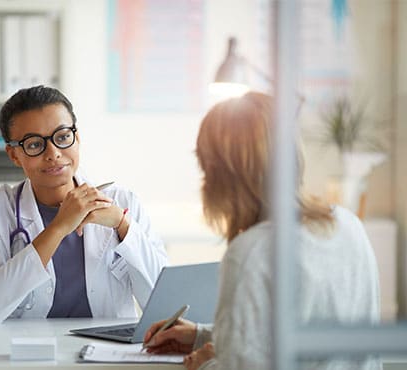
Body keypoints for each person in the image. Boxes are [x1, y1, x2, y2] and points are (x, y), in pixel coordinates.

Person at [143, 92, 381, 370]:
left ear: (221, 173)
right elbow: (301, 336)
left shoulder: (253, 253)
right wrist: (202, 336)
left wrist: (204, 364)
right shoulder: (348, 224)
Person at [0, 85, 168, 325]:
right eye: (34, 144)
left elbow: (165, 305)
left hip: (108, 356)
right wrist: (58, 228)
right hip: (28, 357)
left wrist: (123, 226)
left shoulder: (123, 203)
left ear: (77, 138)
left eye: (62, 137)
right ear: (13, 155)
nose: (53, 153)